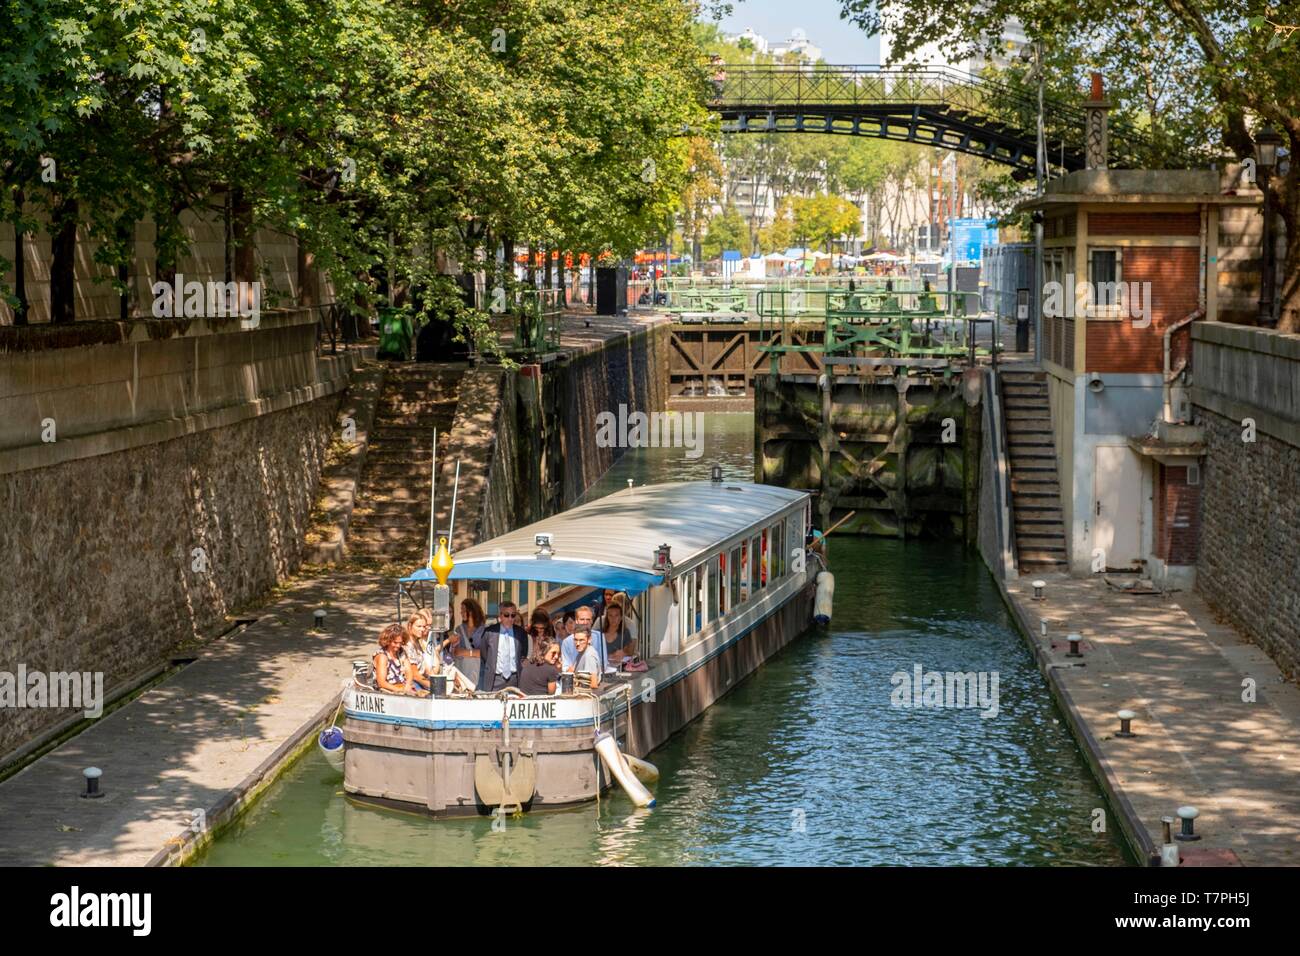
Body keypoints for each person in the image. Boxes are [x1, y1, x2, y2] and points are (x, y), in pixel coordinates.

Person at [474, 601, 529, 691]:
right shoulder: (489, 632)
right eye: (507, 615)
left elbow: (523, 654)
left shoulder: (521, 633)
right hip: (495, 679)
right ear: (500, 616)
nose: (510, 618)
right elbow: (485, 655)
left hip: (515, 679)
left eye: (513, 615)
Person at [372, 622, 427, 696]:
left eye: (400, 643)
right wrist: (401, 690)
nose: (398, 646)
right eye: (395, 643)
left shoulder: (401, 652)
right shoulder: (382, 656)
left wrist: (408, 684)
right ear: (388, 640)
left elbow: (409, 671)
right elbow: (382, 683)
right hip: (388, 692)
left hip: (403, 687)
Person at [561, 605, 605, 671]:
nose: (585, 622)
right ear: (576, 621)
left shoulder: (599, 637)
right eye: (582, 619)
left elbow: (603, 663)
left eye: (588, 619)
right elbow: (565, 667)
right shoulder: (566, 642)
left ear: (592, 621)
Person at [598, 596, 638, 665]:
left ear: (621, 617)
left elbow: (628, 652)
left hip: (618, 667)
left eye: (616, 615)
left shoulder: (625, 633)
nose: (613, 618)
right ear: (607, 617)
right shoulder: (599, 633)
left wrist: (623, 653)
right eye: (610, 615)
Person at [453, 598, 485, 670]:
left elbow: (486, 653)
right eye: (461, 610)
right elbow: (457, 652)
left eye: (463, 610)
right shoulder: (459, 630)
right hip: (463, 670)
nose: (461, 613)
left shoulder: (484, 630)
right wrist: (475, 653)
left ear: (471, 611)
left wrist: (466, 652)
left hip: (479, 672)